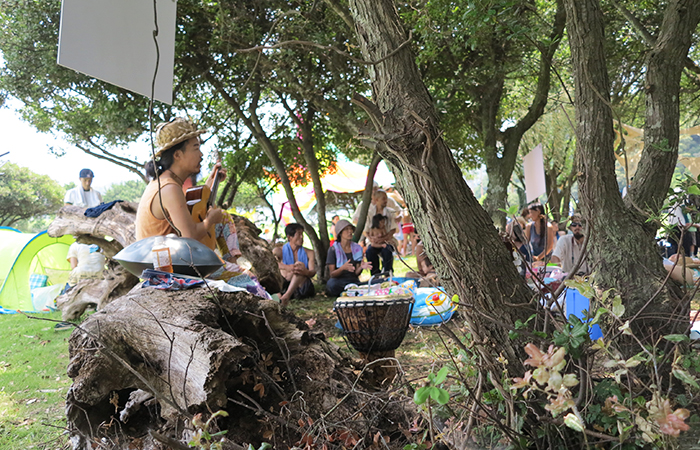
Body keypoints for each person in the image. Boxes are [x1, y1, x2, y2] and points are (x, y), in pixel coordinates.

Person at [134, 117, 269, 298]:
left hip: (169, 263)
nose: (201, 155)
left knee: (224, 218)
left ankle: (231, 263)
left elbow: (193, 209)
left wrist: (211, 183)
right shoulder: (170, 188)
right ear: (177, 155)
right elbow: (189, 235)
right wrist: (209, 220)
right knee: (247, 279)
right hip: (167, 272)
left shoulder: (164, 183)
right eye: (196, 148)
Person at [272, 223, 315, 306]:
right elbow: (272, 265)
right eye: (299, 234)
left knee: (299, 266)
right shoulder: (279, 251)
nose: (302, 237)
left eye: (302, 234)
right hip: (286, 282)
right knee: (289, 270)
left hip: (302, 287)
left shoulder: (309, 252)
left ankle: (286, 296)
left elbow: (312, 271)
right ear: (289, 237)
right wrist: (288, 267)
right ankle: (285, 294)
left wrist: (305, 272)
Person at [325, 219, 372, 296]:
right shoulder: (333, 249)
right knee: (331, 285)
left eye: (351, 229)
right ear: (340, 233)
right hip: (338, 281)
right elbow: (332, 274)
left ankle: (351, 290)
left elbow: (356, 273)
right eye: (346, 229)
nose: (350, 231)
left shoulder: (357, 248)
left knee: (369, 284)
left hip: (352, 281)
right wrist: (342, 268)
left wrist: (361, 267)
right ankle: (351, 291)